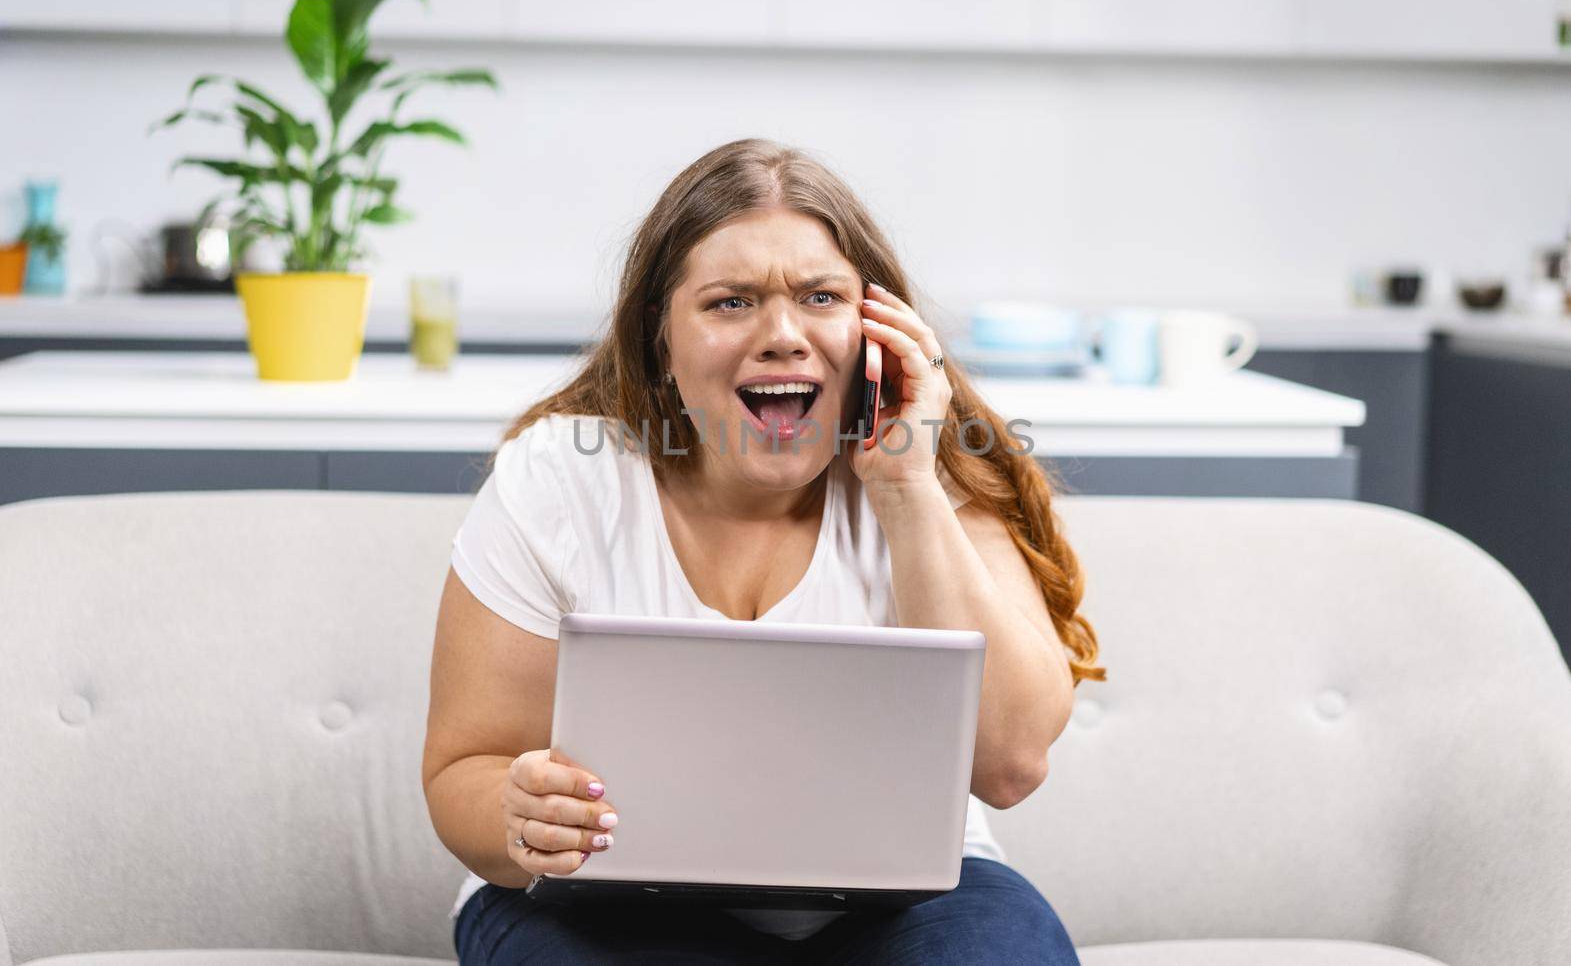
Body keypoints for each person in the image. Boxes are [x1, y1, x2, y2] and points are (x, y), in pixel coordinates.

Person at [423, 137, 1104, 963]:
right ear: (661, 341)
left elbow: (1010, 765)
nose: (783, 334)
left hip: (904, 901)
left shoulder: (937, 474)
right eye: (730, 302)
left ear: (878, 330)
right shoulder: (560, 478)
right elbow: (464, 769)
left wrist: (907, 492)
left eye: (820, 296)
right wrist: (514, 812)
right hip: (607, 896)